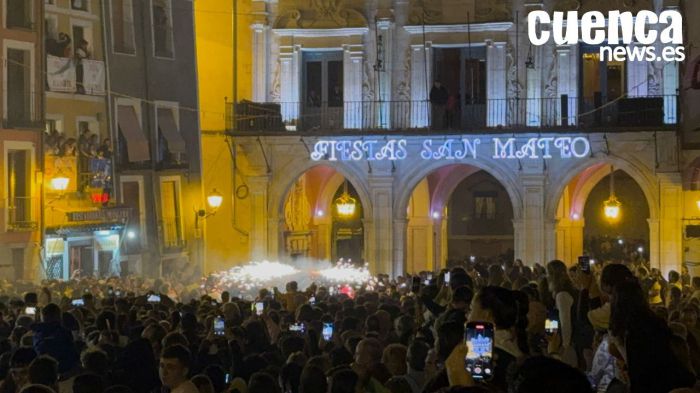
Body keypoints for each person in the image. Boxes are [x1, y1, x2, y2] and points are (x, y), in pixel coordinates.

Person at [609, 280, 695, 393]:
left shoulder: (634, 329)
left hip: (654, 384)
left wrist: (618, 344)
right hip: (671, 379)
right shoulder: (655, 321)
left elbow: (638, 369)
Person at [546, 260, 579, 367]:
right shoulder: (563, 292)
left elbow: (565, 321)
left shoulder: (562, 295)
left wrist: (565, 346)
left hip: (563, 344)